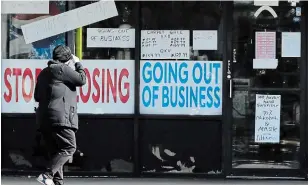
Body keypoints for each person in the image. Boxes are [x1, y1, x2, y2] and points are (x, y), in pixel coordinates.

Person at [34, 45, 86, 185]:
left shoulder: (44, 72)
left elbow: (37, 96)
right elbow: (82, 79)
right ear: (67, 59)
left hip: (44, 119)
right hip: (60, 118)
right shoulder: (62, 69)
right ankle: (47, 175)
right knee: (69, 147)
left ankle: (57, 182)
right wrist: (77, 63)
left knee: (56, 152)